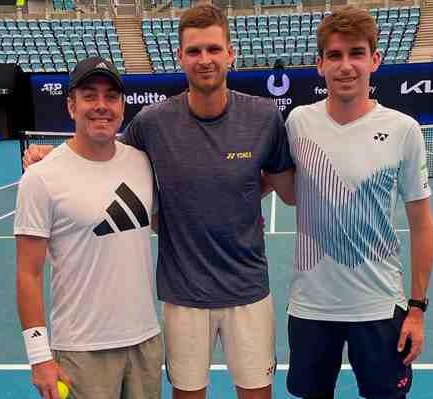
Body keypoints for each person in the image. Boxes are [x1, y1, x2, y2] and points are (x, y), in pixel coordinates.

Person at [23, 5, 296, 399]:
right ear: (180, 56)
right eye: (195, 51)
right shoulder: (152, 123)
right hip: (182, 295)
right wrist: (52, 157)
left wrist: (240, 188)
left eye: (214, 49)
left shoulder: (264, 117)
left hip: (249, 291)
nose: (205, 60)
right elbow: (105, 154)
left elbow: (284, 185)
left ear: (230, 53)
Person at [281, 7, 433, 399]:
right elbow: (268, 183)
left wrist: (416, 309)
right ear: (319, 64)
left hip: (379, 306)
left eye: (356, 53)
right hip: (311, 307)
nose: (346, 65)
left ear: (374, 60)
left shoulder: (404, 130)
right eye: (334, 55)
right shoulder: (298, 122)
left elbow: (422, 223)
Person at [15, 56, 163, 399]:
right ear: (71, 106)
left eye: (111, 97)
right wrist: (39, 357)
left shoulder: (142, 163)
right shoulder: (41, 179)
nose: (101, 106)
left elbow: (168, 225)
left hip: (145, 343)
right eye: (89, 96)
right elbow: (28, 274)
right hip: (82, 353)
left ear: (122, 107)